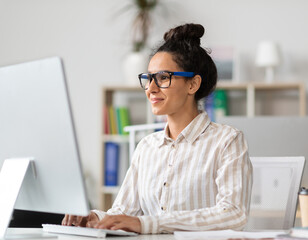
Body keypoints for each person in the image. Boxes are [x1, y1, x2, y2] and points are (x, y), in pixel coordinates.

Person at [62, 23, 253, 234]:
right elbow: (123, 212)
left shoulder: (227, 141)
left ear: (193, 85)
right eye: (148, 78)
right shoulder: (147, 147)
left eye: (163, 78)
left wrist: (149, 223)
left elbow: (234, 214)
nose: (151, 88)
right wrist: (95, 217)